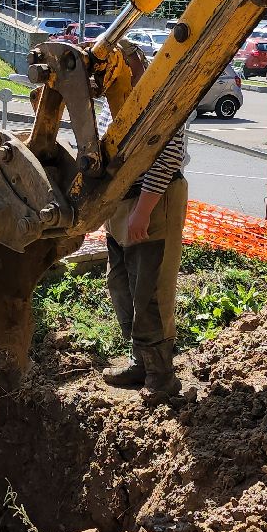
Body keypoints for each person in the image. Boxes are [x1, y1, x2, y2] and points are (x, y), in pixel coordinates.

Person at [101, 126, 190, 401]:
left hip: (151, 200)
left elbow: (169, 155)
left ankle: (161, 376)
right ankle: (141, 362)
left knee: (151, 290)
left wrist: (143, 210)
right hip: (120, 200)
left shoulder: (162, 99)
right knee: (121, 285)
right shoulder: (112, 98)